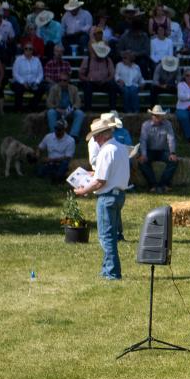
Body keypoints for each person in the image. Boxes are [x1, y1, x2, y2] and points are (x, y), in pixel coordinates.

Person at [75, 114, 131, 280]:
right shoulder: (120, 147)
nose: (95, 140)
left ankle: (112, 272)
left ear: (102, 135)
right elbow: (109, 172)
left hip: (107, 196)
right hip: (119, 194)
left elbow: (100, 181)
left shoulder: (106, 151)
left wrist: (84, 190)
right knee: (110, 234)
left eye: (96, 136)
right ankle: (108, 268)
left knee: (106, 236)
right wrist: (93, 174)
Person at [138, 105, 179, 193]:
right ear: (152, 115)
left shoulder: (167, 124)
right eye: (155, 115)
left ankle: (163, 184)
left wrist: (172, 152)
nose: (156, 117)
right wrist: (143, 154)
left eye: (158, 115)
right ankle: (153, 185)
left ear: (162, 116)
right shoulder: (145, 125)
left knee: (174, 161)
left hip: (163, 151)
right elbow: (143, 140)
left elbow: (171, 138)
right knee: (142, 162)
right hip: (150, 151)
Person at [9, 42, 46, 111]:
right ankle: (18, 108)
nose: (28, 50)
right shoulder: (18, 59)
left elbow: (41, 73)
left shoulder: (37, 60)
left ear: (33, 50)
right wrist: (23, 82)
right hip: (20, 83)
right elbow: (15, 73)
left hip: (33, 83)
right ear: (24, 50)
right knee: (18, 88)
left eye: (30, 49)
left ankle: (31, 106)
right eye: (26, 48)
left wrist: (36, 82)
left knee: (42, 89)